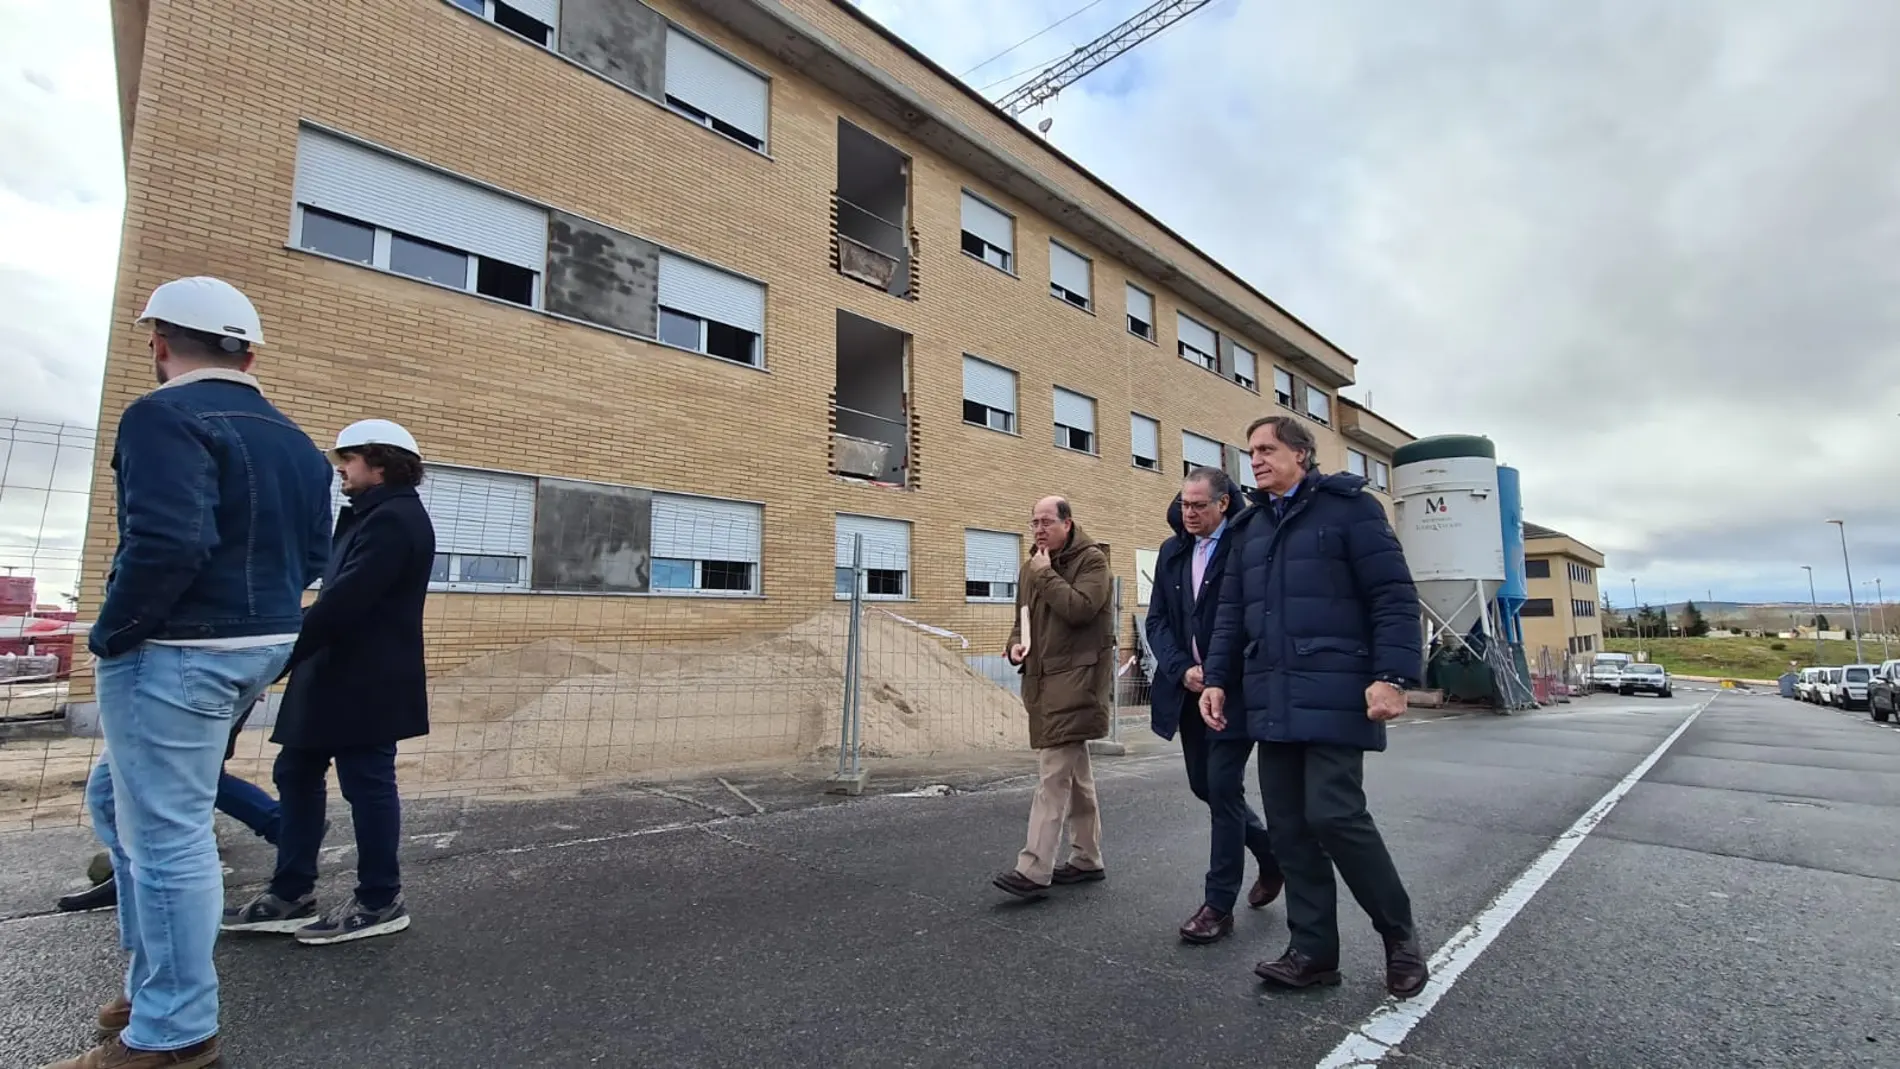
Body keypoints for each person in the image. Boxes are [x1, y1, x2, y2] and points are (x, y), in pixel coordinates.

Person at [48, 277, 333, 1069]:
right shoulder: (299, 444)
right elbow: (315, 556)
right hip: (258, 643)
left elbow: (168, 540)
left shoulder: (163, 416)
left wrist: (114, 632)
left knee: (167, 835)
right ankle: (152, 986)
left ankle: (172, 1030)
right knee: (119, 799)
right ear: (249, 351)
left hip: (178, 648)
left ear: (160, 344)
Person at [1200, 415, 1430, 999]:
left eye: (1267, 449)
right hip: (1270, 695)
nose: (1254, 459)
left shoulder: (1349, 509)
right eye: (1249, 451)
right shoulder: (1249, 528)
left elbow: (1394, 596)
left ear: (1302, 454)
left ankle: (1398, 936)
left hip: (1334, 688)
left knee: (1335, 815)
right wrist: (1218, 680)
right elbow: (1230, 615)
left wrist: (1393, 675)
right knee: (1289, 829)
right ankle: (1312, 953)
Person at [224, 419, 435, 945]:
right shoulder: (366, 517)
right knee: (295, 770)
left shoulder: (395, 520)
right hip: (330, 672)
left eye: (350, 457)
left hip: (365, 678)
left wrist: (281, 653)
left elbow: (345, 603)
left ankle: (380, 898)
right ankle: (291, 891)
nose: (340, 467)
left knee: (366, 782)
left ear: (380, 463)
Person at [1144, 467, 1283, 943]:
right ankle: (1270, 854)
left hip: (1234, 692)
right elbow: (1157, 619)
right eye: (1184, 505)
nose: (1189, 514)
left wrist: (1221, 674)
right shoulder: (1172, 551)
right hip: (1187, 690)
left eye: (1198, 506)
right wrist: (1182, 668)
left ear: (1224, 504)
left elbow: (1255, 618)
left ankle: (1217, 905)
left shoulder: (1246, 547)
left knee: (1223, 788)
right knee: (1204, 785)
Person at [992, 496, 1114, 899]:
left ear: (1068, 523)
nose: (1039, 529)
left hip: (1077, 683)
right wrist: (1014, 646)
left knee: (1052, 777)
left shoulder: (1092, 561)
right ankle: (1087, 858)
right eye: (1034, 522)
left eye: (1046, 521)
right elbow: (1021, 620)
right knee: (1076, 778)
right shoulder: (1032, 566)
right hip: (1042, 682)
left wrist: (1045, 574)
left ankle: (1033, 868)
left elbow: (1081, 609)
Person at [55, 713, 282, 913]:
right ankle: (132, 876)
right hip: (161, 694)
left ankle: (287, 831)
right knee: (110, 791)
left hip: (187, 691)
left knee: (194, 778)